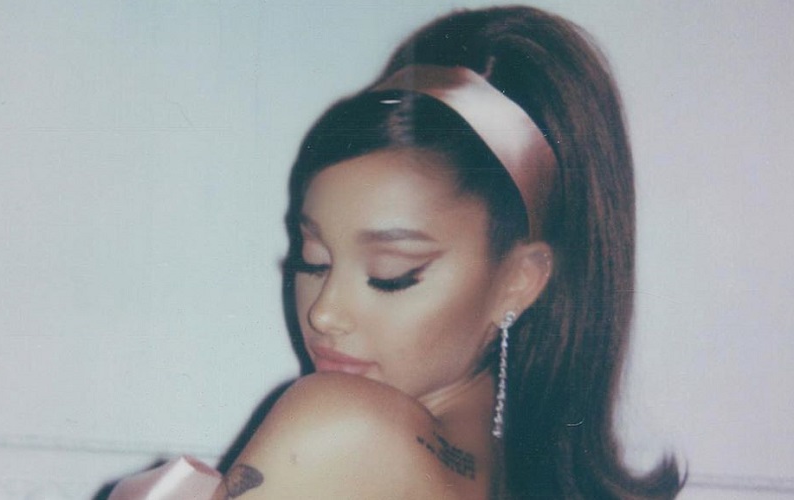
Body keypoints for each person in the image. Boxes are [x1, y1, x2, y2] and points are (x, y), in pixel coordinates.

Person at [111, 5, 683, 500]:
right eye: (313, 259)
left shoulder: (342, 428)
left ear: (519, 281)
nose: (323, 313)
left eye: (391, 274)